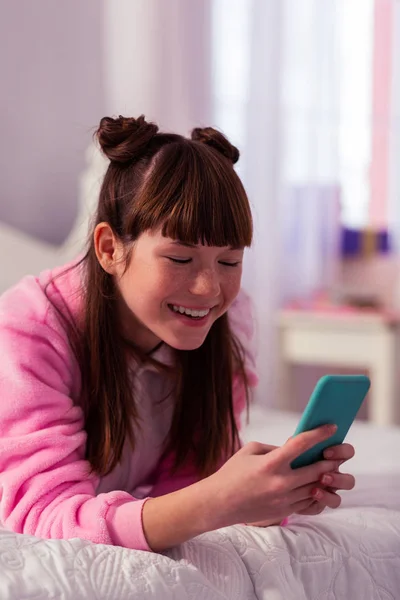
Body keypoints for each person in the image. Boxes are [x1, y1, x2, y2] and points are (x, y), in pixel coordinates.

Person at [0, 115, 355, 553]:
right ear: (110, 248)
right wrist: (217, 500)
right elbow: (44, 515)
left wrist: (261, 500)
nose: (209, 290)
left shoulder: (225, 322)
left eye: (229, 262)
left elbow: (186, 482)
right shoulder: (30, 329)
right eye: (180, 259)